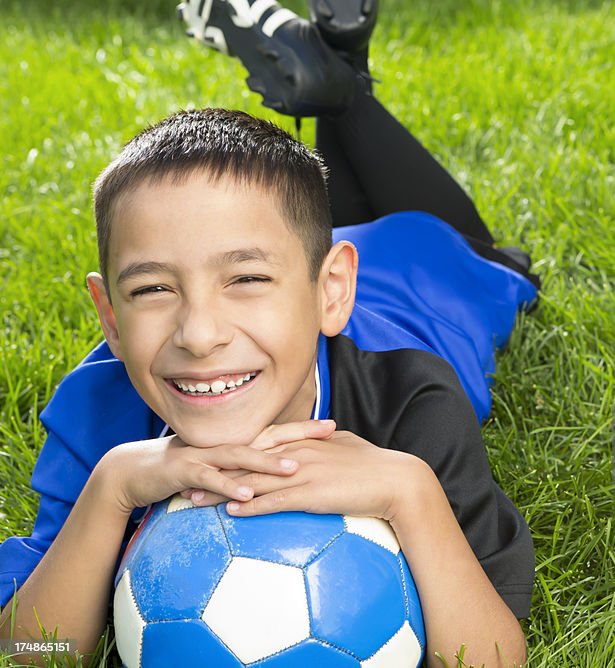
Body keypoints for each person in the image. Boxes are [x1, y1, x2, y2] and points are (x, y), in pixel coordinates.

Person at [0, 1, 539, 665]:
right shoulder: (102, 411)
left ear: (330, 293)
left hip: (423, 279)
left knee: (461, 239)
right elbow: (30, 649)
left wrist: (412, 494)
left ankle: (344, 90)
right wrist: (112, 489)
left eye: (243, 281)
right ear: (109, 315)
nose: (199, 334)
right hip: (299, 269)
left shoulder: (414, 401)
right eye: (152, 290)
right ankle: (334, 69)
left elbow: (490, 659)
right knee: (288, 224)